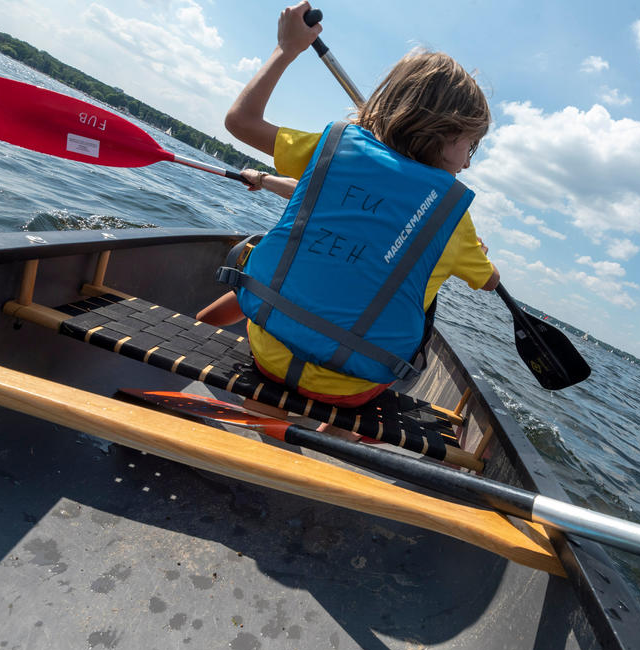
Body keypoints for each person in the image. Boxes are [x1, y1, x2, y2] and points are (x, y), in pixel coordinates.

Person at [199, 0, 499, 412]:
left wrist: (286, 50)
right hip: (347, 389)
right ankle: (333, 432)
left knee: (278, 263)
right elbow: (488, 281)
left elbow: (240, 120)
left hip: (267, 347)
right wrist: (476, 255)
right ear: (444, 135)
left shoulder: (332, 150)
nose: (468, 160)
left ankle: (198, 329)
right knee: (418, 294)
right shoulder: (452, 218)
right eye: (471, 144)